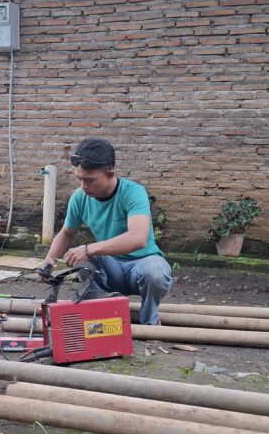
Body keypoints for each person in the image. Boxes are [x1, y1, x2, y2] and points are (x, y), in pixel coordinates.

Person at [43, 137, 172, 325]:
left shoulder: (133, 193)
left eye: (89, 180)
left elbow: (138, 238)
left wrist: (88, 249)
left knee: (156, 271)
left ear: (110, 172)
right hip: (111, 269)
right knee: (83, 261)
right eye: (79, 180)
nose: (83, 186)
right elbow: (66, 233)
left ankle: (149, 320)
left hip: (141, 265)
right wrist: (50, 259)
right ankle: (104, 316)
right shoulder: (80, 198)